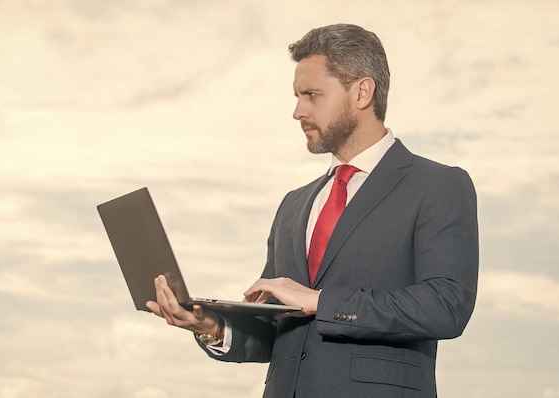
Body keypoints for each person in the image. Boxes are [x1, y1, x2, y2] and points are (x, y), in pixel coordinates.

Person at [146, 23, 479, 398]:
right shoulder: (294, 205)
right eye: (296, 95)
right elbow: (278, 332)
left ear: (362, 92)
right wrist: (210, 324)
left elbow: (446, 306)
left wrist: (319, 301)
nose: (297, 111)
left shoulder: (437, 185)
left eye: (312, 95)